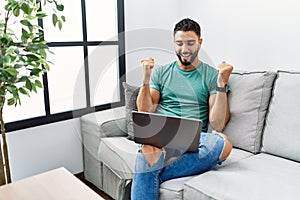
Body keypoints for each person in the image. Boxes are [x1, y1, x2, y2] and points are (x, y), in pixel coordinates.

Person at [131, 18, 233, 200]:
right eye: (179, 43)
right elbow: (144, 111)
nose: (184, 50)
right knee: (148, 148)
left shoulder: (210, 75)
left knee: (223, 143)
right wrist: (146, 78)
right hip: (161, 133)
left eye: (190, 43)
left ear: (200, 42)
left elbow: (217, 123)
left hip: (193, 140)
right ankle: (150, 169)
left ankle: (149, 172)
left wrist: (221, 83)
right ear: (173, 43)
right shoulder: (162, 72)